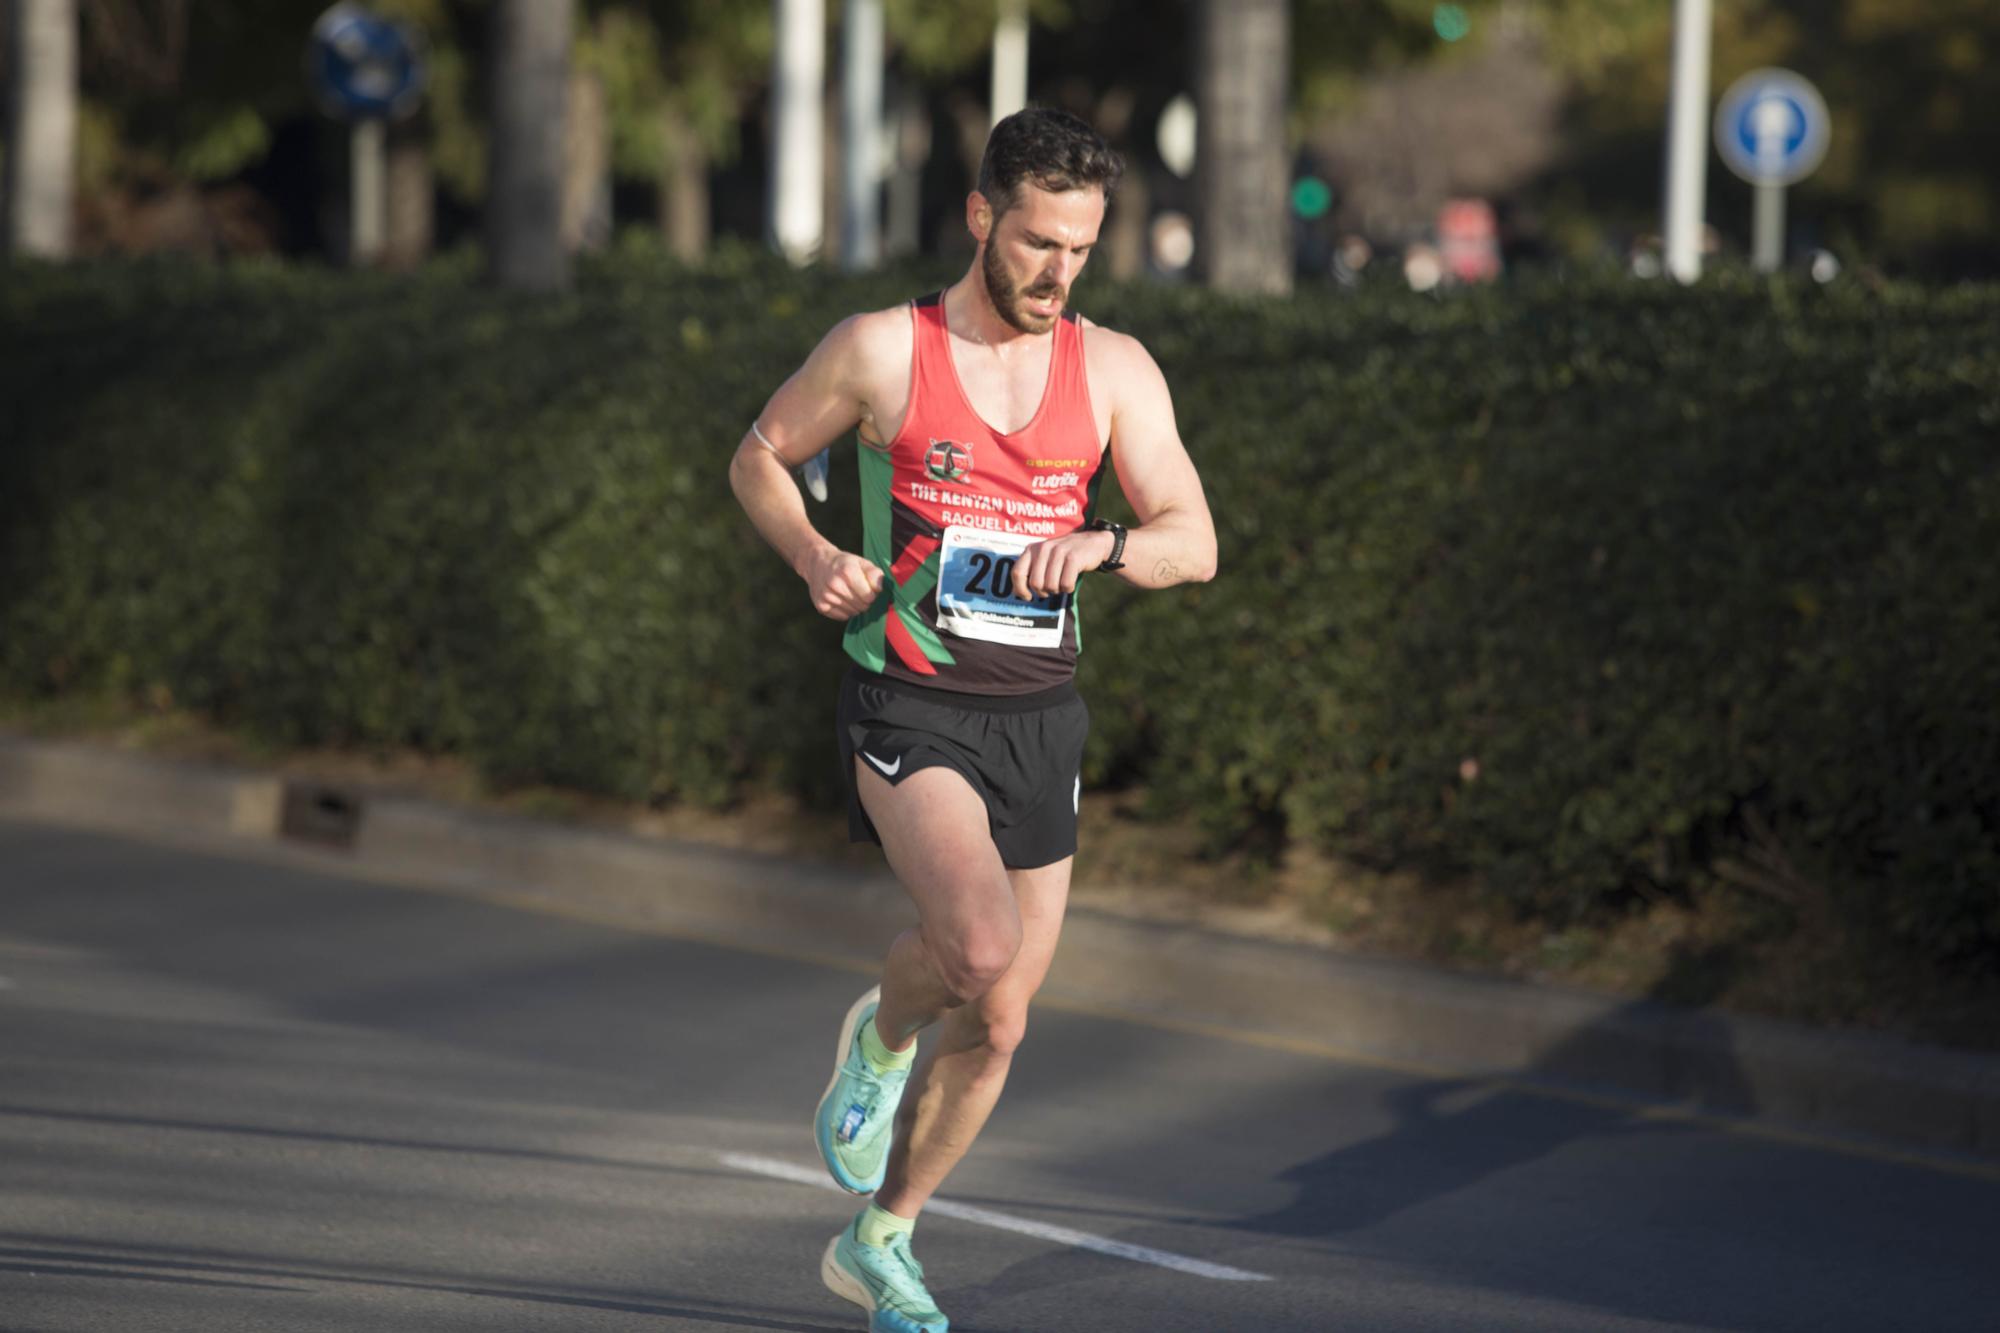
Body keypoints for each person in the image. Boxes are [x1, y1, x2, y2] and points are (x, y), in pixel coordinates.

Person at [728, 106, 1217, 1333]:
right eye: (1037, 241)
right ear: (978, 217)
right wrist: (808, 553)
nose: (1056, 272)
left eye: (1080, 250)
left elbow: (1192, 539)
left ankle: (879, 1235)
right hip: (909, 698)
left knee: (998, 1023)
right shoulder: (880, 351)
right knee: (977, 949)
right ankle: (882, 1032)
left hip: (1038, 717)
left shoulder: (1112, 369)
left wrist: (1101, 543)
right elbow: (758, 454)